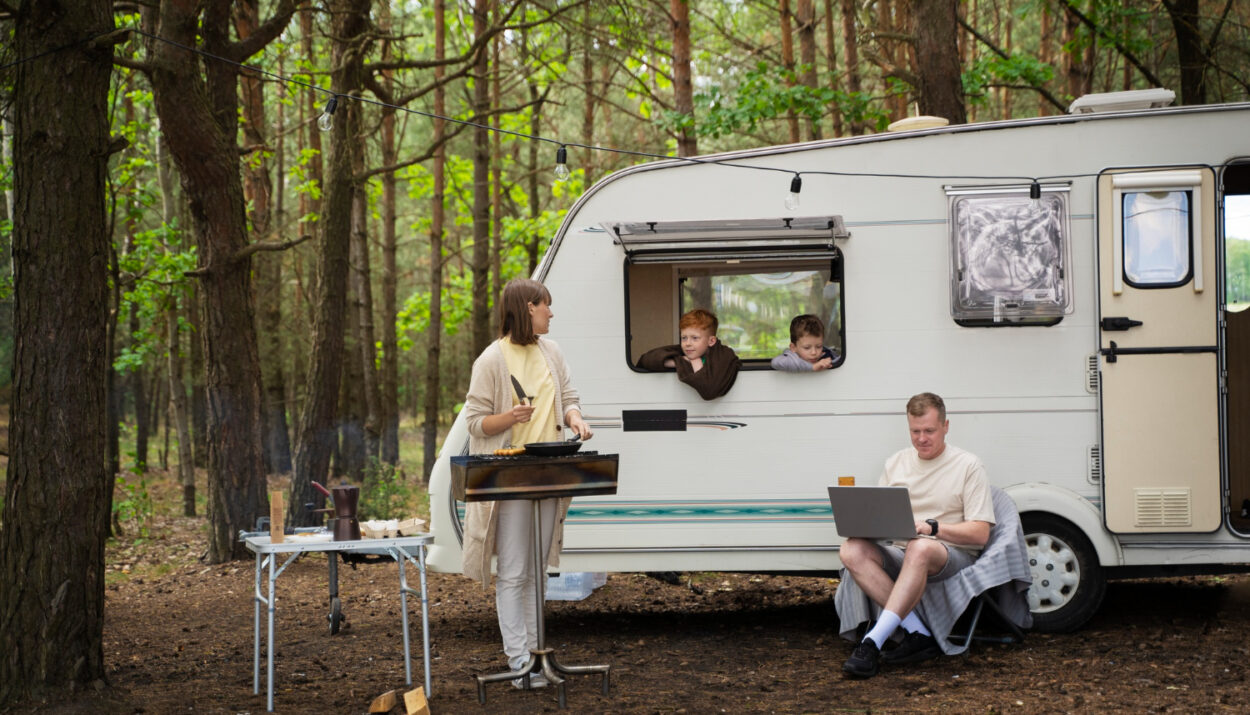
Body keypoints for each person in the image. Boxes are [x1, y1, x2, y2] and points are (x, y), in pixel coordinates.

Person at [460, 278, 594, 689]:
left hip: (549, 471)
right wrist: (509, 419)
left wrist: (574, 418)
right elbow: (474, 422)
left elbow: (568, 397)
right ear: (527, 308)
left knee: (537, 571)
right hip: (510, 476)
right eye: (545, 306)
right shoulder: (491, 360)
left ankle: (539, 660)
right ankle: (519, 663)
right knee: (515, 572)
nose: (551, 313)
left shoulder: (550, 352)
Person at [839, 392, 995, 678]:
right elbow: (880, 515)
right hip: (902, 549)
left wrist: (933, 528)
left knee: (921, 547)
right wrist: (865, 525)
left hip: (949, 553)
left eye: (929, 431)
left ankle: (872, 641)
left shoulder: (968, 465)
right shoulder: (896, 462)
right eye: (915, 431)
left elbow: (981, 534)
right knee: (851, 549)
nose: (921, 438)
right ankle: (918, 633)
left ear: (946, 426)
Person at [637, 308, 741, 400]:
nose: (687, 343)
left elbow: (709, 390)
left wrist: (695, 361)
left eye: (695, 338)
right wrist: (678, 361)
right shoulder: (686, 350)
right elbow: (646, 359)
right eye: (684, 338)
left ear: (711, 341)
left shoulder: (723, 355)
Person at [770, 314, 839, 371]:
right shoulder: (791, 357)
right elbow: (775, 362)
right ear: (793, 347)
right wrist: (813, 367)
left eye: (818, 346)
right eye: (807, 347)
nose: (814, 352)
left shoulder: (827, 355)